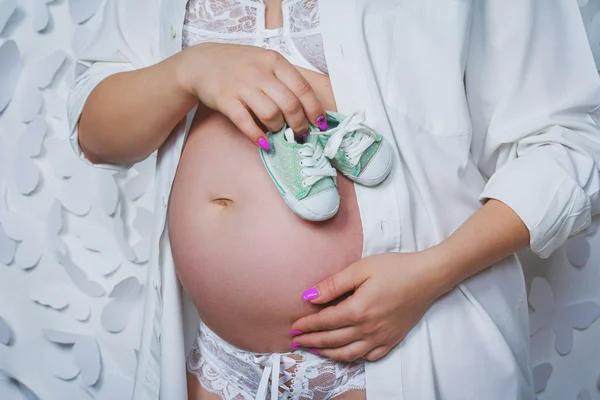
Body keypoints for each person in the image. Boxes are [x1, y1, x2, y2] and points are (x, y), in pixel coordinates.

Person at [67, 0, 600, 399]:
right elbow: (96, 136)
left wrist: (430, 274)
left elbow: (569, 143)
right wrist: (189, 69)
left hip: (406, 344)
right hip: (210, 361)